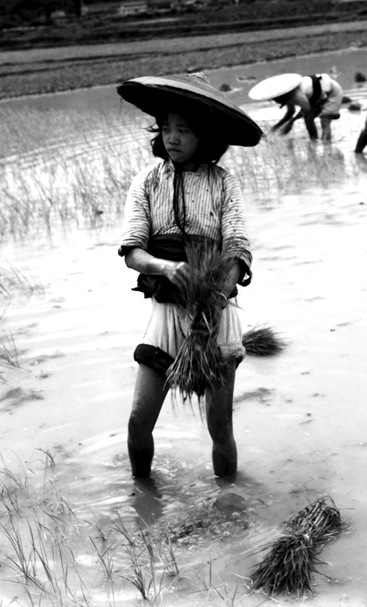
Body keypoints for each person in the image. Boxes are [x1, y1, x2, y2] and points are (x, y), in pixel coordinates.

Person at [117, 74, 262, 481]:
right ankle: (142, 494)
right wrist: (166, 268)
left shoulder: (223, 183)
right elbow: (132, 251)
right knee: (137, 422)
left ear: (206, 135)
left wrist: (220, 288)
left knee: (220, 428)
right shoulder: (147, 182)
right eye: (166, 128)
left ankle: (228, 500)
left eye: (183, 130)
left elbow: (237, 248)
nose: (172, 138)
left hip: (214, 315)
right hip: (165, 312)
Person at [271, 73, 343, 141]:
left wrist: (291, 122)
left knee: (324, 120)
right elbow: (290, 112)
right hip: (318, 96)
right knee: (308, 118)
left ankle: (326, 146)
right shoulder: (287, 96)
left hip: (332, 92)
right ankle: (315, 141)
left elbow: (307, 108)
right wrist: (276, 127)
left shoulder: (296, 95)